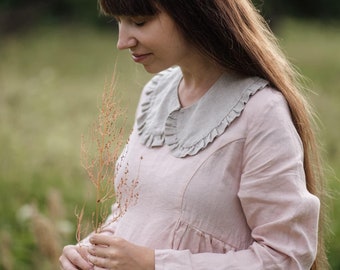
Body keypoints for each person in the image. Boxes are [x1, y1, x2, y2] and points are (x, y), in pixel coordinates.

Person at [59, 0, 329, 269]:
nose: (122, 41)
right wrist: (89, 252)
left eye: (139, 22)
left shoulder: (260, 111)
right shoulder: (156, 94)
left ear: (192, 11)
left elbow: (286, 257)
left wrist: (154, 264)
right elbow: (136, 213)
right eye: (118, 21)